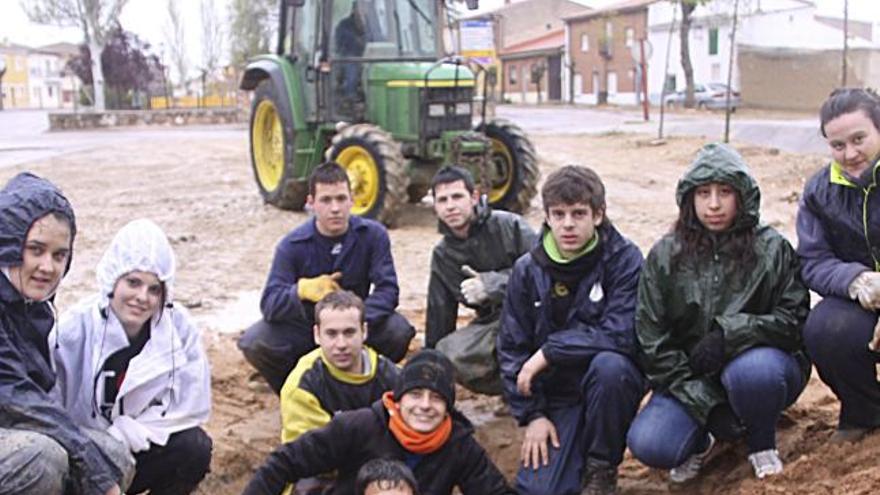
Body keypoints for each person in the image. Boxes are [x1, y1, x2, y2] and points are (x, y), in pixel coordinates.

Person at [626, 143, 811, 482]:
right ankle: (702, 439)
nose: (713, 204)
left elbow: (794, 320)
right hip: (689, 379)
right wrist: (706, 405)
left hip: (759, 371)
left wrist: (730, 335)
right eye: (703, 193)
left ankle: (760, 442)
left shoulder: (772, 248)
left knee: (754, 373)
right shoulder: (665, 255)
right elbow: (651, 339)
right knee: (650, 444)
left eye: (725, 192)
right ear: (688, 199)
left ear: (742, 196)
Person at [498, 165, 646, 495]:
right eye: (559, 214)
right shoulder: (527, 269)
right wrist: (533, 414)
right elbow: (511, 348)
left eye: (578, 213)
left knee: (611, 367)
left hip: (608, 389)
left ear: (598, 215)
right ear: (547, 217)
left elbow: (622, 333)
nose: (568, 224)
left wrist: (551, 351)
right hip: (556, 396)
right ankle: (568, 450)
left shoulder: (624, 259)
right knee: (539, 491)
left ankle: (601, 469)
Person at [53, 218, 213, 495]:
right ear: (113, 280)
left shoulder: (179, 328)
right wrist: (97, 445)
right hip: (83, 456)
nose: (142, 297)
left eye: (154, 289)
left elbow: (190, 405)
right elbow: (51, 407)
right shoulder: (74, 329)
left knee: (195, 447)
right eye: (134, 282)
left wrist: (128, 432)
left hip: (140, 445)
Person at [0, 172, 132, 495]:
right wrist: (94, 468)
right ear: (9, 245)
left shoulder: (32, 306)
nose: (48, 266)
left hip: (13, 424)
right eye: (36, 250)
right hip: (14, 423)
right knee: (41, 459)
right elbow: (13, 393)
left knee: (114, 456)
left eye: (59, 255)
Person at [239, 162, 415, 394]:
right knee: (255, 341)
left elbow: (388, 290)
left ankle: (366, 383)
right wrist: (300, 290)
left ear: (352, 199)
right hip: (308, 330)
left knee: (398, 330)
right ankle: (296, 391)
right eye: (326, 200)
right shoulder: (291, 245)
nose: (335, 208)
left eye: (341, 199)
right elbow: (269, 304)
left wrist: (356, 319)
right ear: (311, 203)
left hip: (355, 326)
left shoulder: (373, 236)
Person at [242, 349, 516, 495]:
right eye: (415, 394)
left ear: (447, 407)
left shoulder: (459, 444)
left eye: (436, 398)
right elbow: (284, 462)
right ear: (398, 399)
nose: (424, 406)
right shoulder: (358, 426)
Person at [797, 87, 880, 443]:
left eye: (859, 139)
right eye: (838, 145)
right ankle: (865, 412)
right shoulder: (819, 191)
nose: (850, 153)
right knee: (825, 330)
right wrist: (857, 280)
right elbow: (813, 260)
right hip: (862, 300)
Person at [426, 165, 536, 394]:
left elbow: (544, 272)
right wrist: (429, 370)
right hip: (493, 324)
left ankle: (542, 384)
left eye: (457, 196)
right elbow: (439, 314)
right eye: (442, 200)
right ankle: (511, 388)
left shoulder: (510, 225)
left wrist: (493, 284)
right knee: (448, 353)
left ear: (474, 197)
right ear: (434, 206)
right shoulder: (443, 255)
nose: (451, 206)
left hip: (536, 316)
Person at [280, 290, 400, 493]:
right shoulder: (303, 383)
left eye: (349, 332)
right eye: (332, 334)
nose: (341, 344)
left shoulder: (391, 376)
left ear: (364, 331)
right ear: (317, 335)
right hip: (324, 475)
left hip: (381, 471)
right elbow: (311, 456)